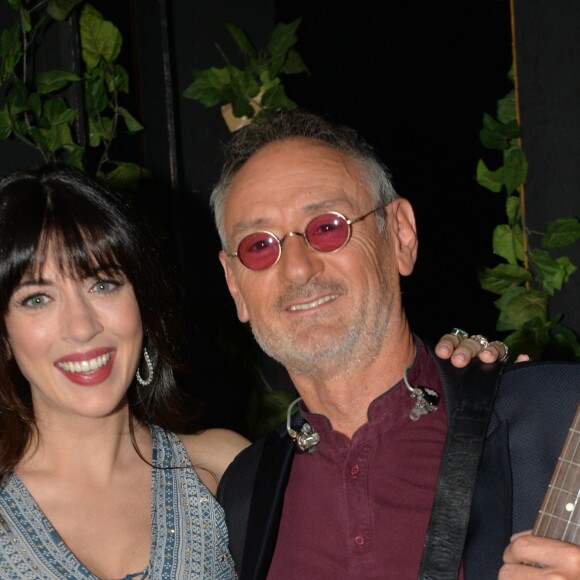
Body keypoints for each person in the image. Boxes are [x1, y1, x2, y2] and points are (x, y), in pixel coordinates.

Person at [210, 109, 580, 579]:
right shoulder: (242, 498)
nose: (298, 269)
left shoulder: (557, 414)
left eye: (327, 227)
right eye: (259, 246)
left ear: (400, 234)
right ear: (235, 285)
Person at [0, 164, 250, 579]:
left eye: (102, 284)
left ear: (141, 302)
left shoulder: (224, 471)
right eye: (38, 299)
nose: (82, 327)